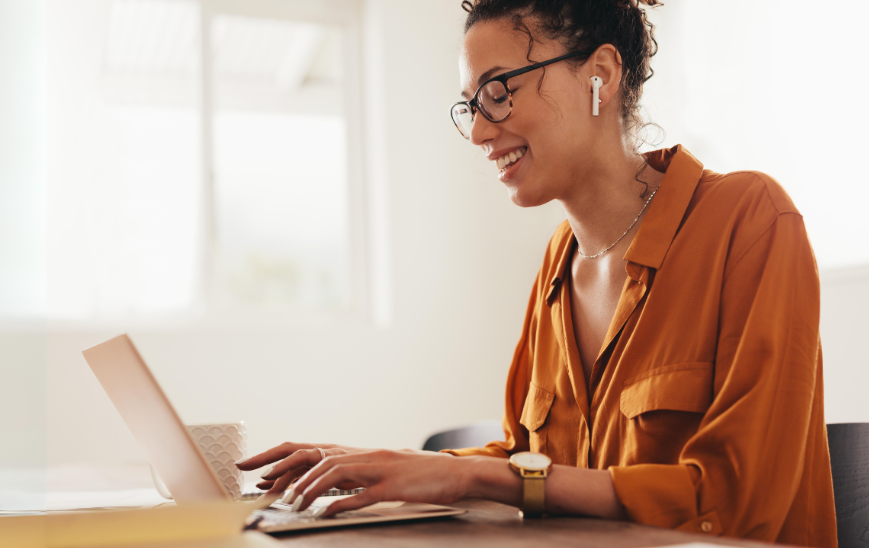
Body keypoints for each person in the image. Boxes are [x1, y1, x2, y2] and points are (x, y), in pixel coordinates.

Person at [236, 1, 837, 545]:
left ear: (599, 73)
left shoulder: (749, 220)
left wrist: (472, 474)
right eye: (470, 105)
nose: (477, 131)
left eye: (498, 91)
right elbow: (526, 461)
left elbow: (737, 505)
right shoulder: (559, 260)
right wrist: (377, 463)